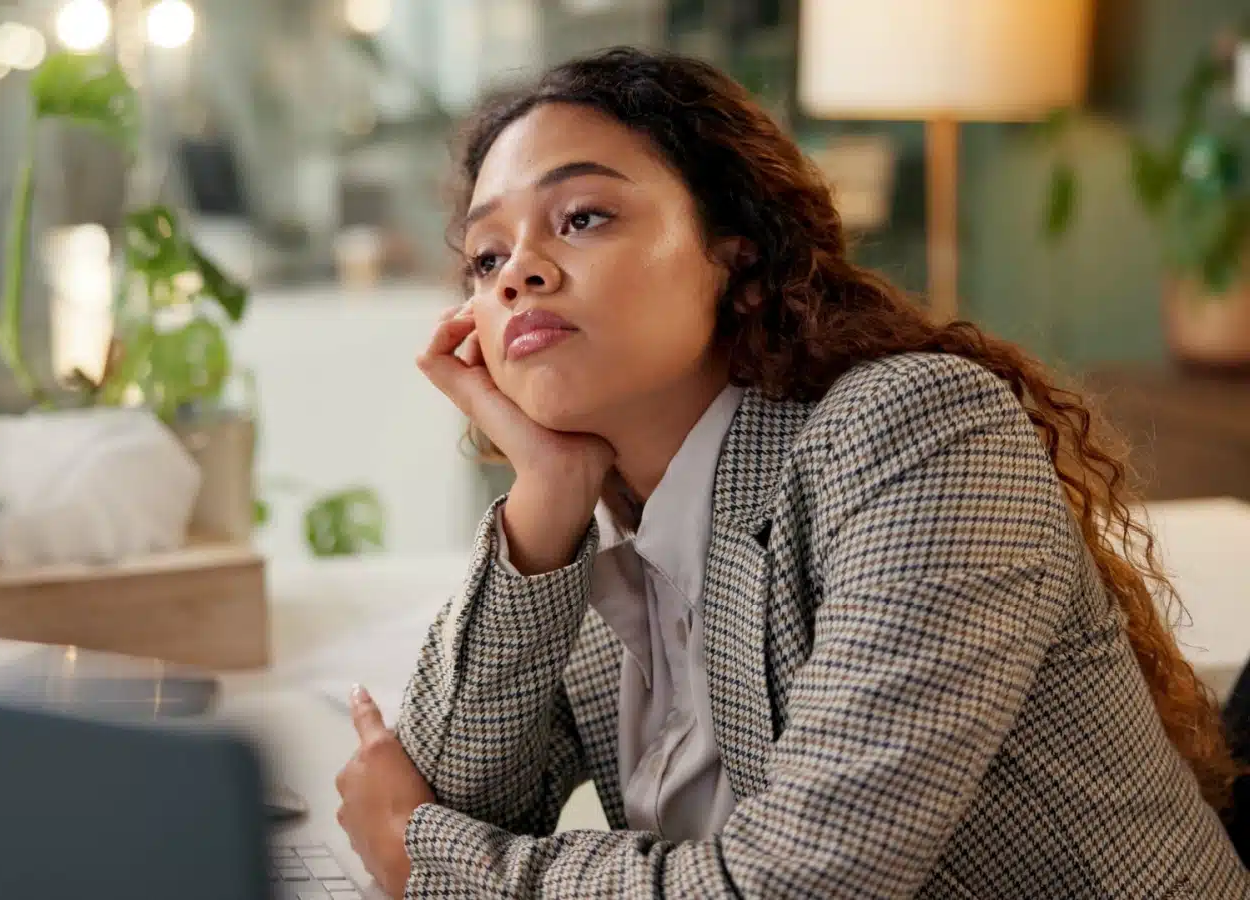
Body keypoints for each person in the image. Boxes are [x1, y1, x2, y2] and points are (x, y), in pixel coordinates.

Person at [333, 47, 1250, 899]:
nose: (516, 274)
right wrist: (543, 495)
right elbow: (446, 795)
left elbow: (804, 884)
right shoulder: (603, 525)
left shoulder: (915, 432)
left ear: (735, 249)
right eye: (486, 257)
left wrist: (437, 860)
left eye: (583, 217)